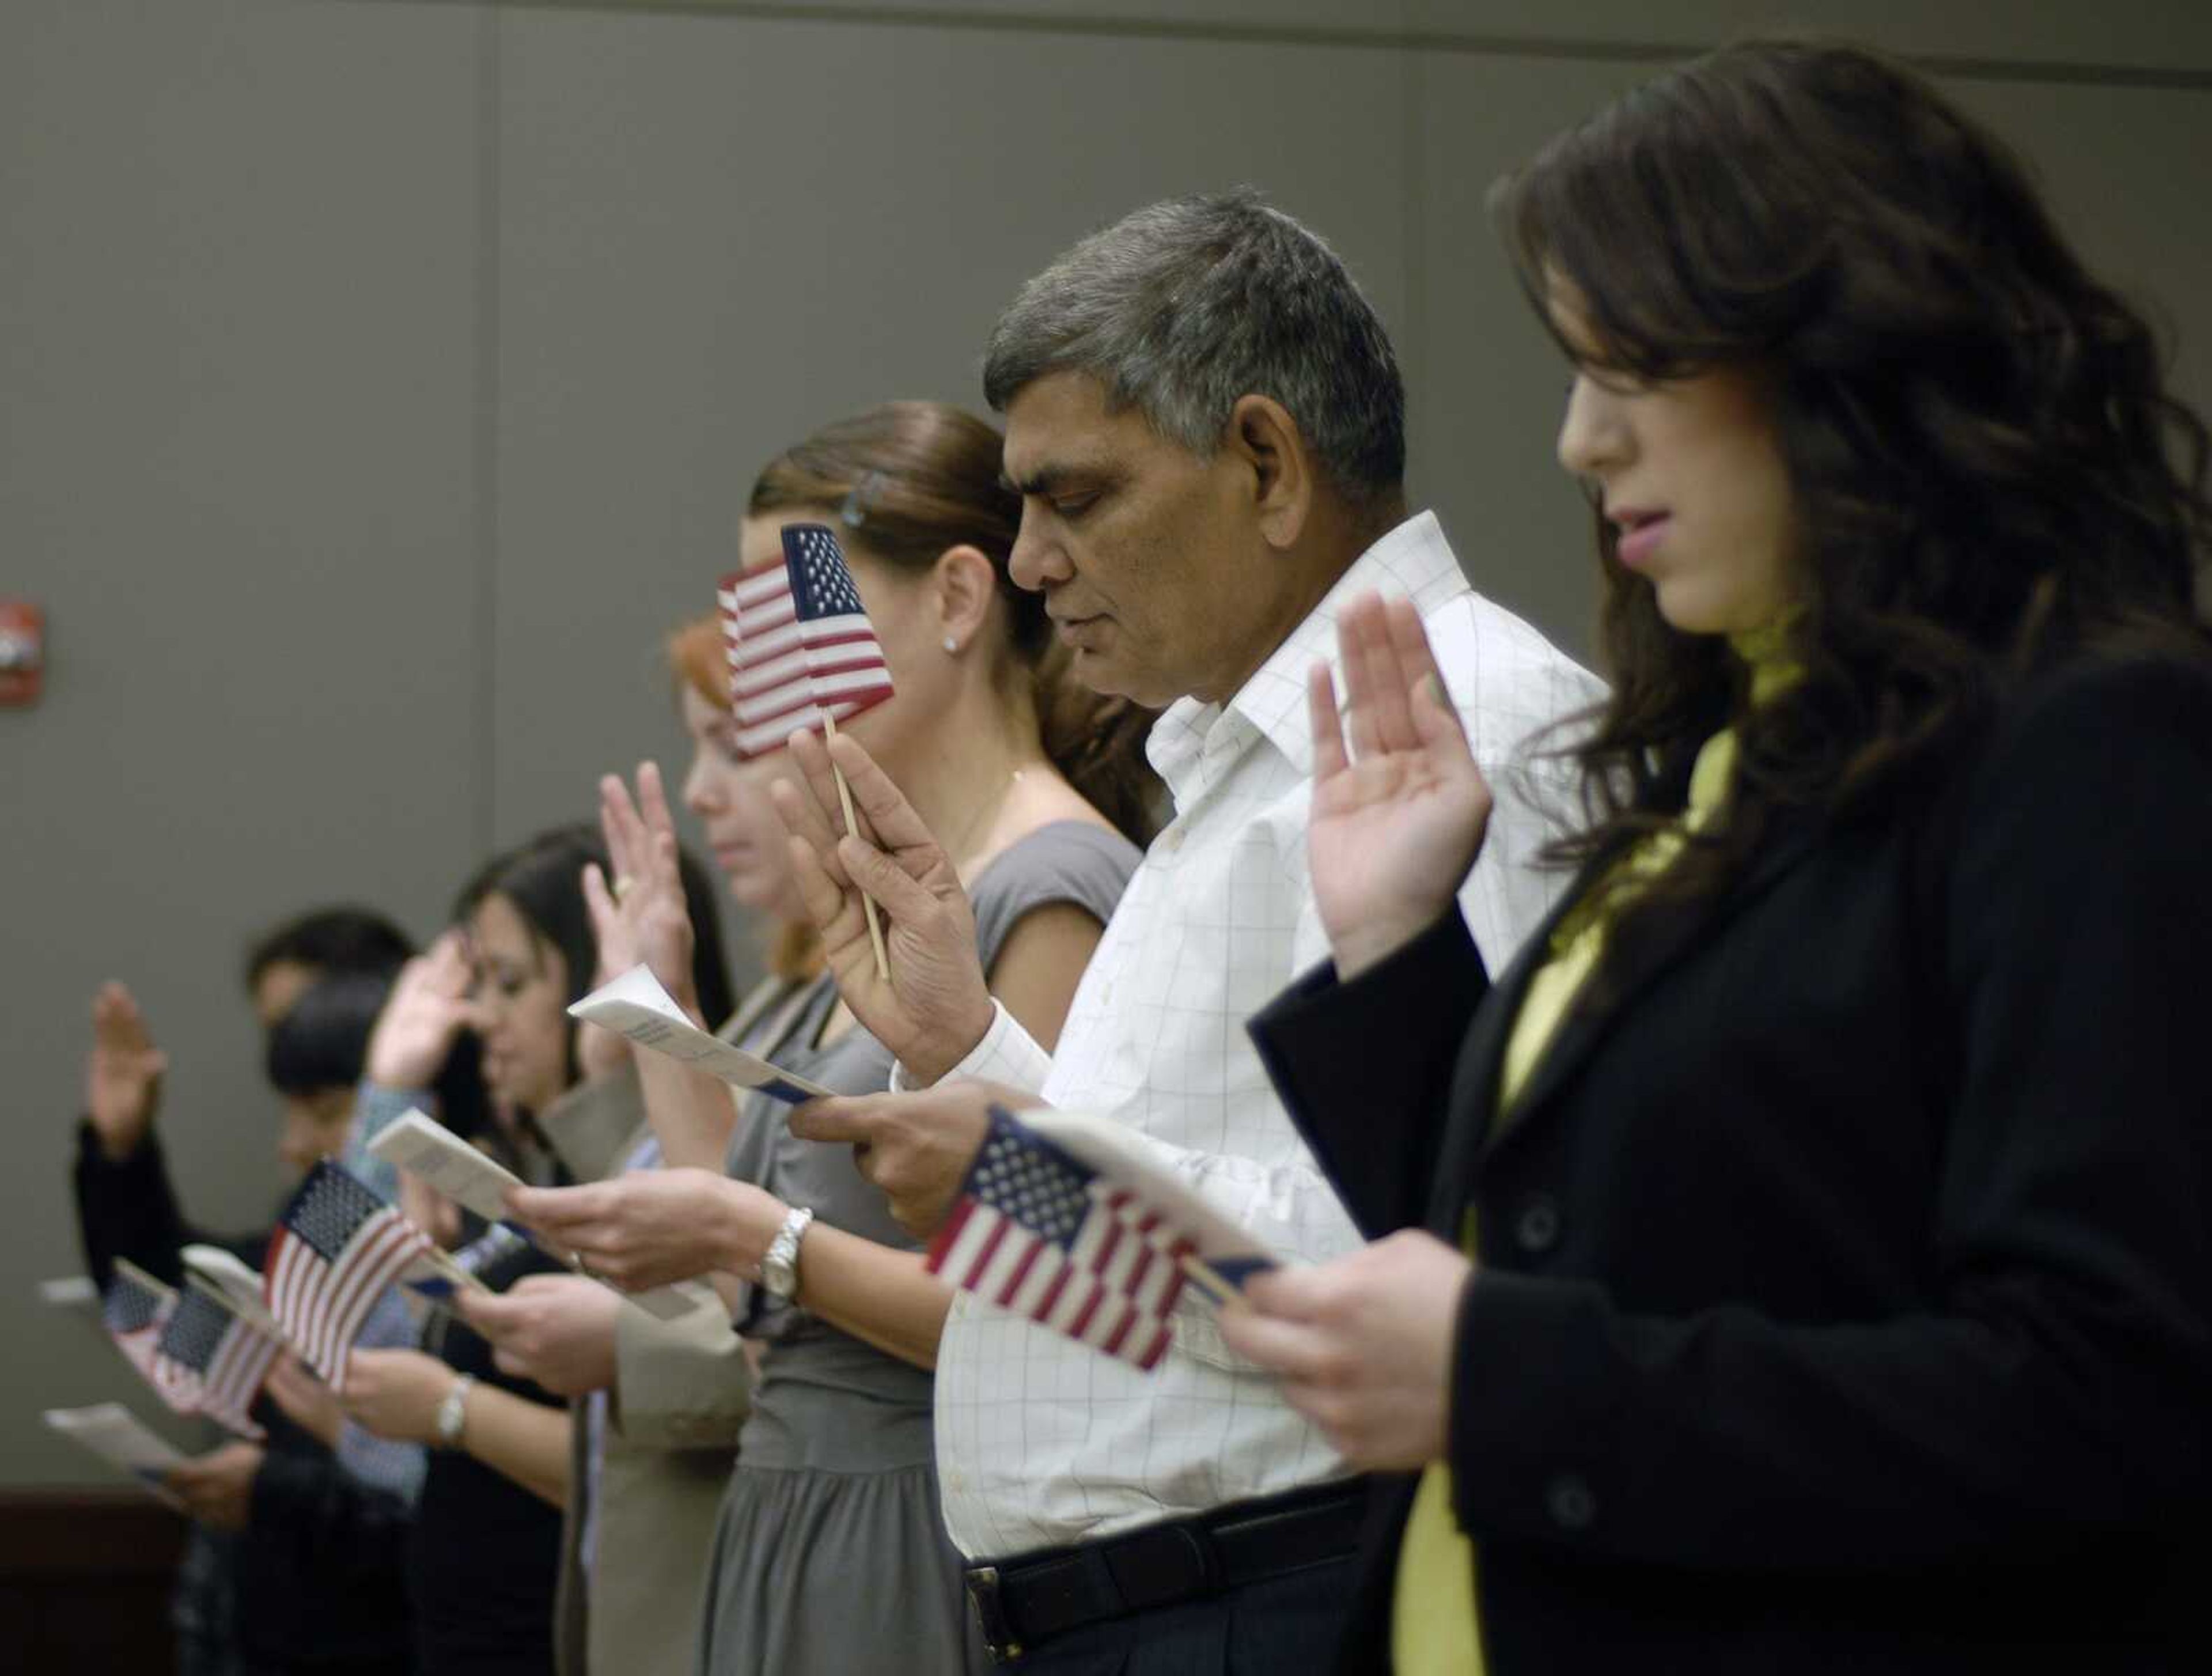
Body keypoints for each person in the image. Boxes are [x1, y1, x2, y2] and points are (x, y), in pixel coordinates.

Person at [1215, 38, 2212, 1674]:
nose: (1578, 440)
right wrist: (1395, 946)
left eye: (1634, 368)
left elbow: (2109, 1396)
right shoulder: (1728, 757)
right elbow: (1568, 1242)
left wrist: (1507, 1384)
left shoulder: (2093, 748)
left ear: (1843, 352)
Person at [772, 196, 1601, 1667]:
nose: (1031, 560)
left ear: (1267, 465)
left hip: (1265, 1601)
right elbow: (1212, 1218)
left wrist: (1012, 1175)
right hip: (1162, 1610)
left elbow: (1441, 1255)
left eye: (1074, 499)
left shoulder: (1472, 725)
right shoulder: (1238, 757)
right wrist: (967, 1053)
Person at [506, 400, 1153, 1675]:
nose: (758, 673)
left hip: (917, 1531)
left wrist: (767, 1243)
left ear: (959, 598)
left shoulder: (1053, 879)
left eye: (795, 601)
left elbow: (1046, 1297)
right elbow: (742, 1250)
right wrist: (656, 1005)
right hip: (794, 1516)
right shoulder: (898, 892)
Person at [457, 619, 796, 1676]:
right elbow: (709, 1260)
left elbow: (793, 1325)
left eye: (735, 743)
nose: (700, 789)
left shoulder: (828, 1016)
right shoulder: (787, 1004)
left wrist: (452, 1406)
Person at [341, 824, 734, 1676]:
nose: (482, 1017)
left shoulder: (687, 1167)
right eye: (478, 982)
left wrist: (453, 1410)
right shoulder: (544, 1164)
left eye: (509, 983)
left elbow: (671, 1433)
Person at [71, 909, 416, 1676]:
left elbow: (434, 1507)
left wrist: (282, 1489)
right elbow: (165, 1299)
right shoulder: (330, 1211)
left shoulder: (440, 1228)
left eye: (325, 1106)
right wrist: (119, 1151)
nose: (290, 1142)